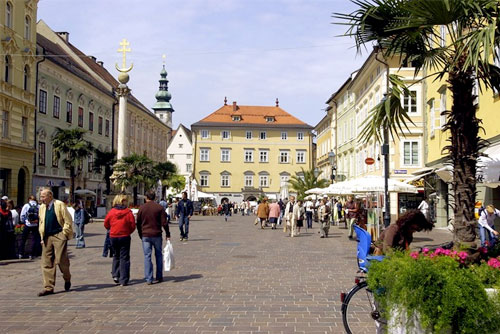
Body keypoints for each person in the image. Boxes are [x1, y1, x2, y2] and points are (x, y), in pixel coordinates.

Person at [37, 188, 73, 296]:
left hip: (58, 235)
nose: (41, 198)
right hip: (47, 236)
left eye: (43, 196)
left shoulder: (59, 204)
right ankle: (48, 287)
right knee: (46, 262)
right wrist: (42, 237)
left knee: (61, 260)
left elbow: (68, 219)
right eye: (41, 196)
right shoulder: (42, 207)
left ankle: (67, 278)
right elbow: (41, 222)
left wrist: (65, 233)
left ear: (50, 196)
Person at [137, 190, 170, 285]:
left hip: (145, 235)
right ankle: (159, 276)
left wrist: (140, 233)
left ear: (146, 197)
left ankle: (149, 278)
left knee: (147, 256)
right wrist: (167, 234)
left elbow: (138, 223)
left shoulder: (142, 208)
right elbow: (164, 222)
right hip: (156, 234)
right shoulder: (159, 208)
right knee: (159, 255)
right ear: (155, 197)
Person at [104, 194, 136, 286]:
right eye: (126, 201)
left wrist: (112, 228)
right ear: (122, 201)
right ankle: (123, 279)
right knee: (124, 257)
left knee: (116, 255)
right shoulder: (128, 212)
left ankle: (115, 275)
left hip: (113, 236)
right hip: (125, 236)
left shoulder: (111, 212)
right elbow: (132, 225)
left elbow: (106, 224)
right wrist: (127, 231)